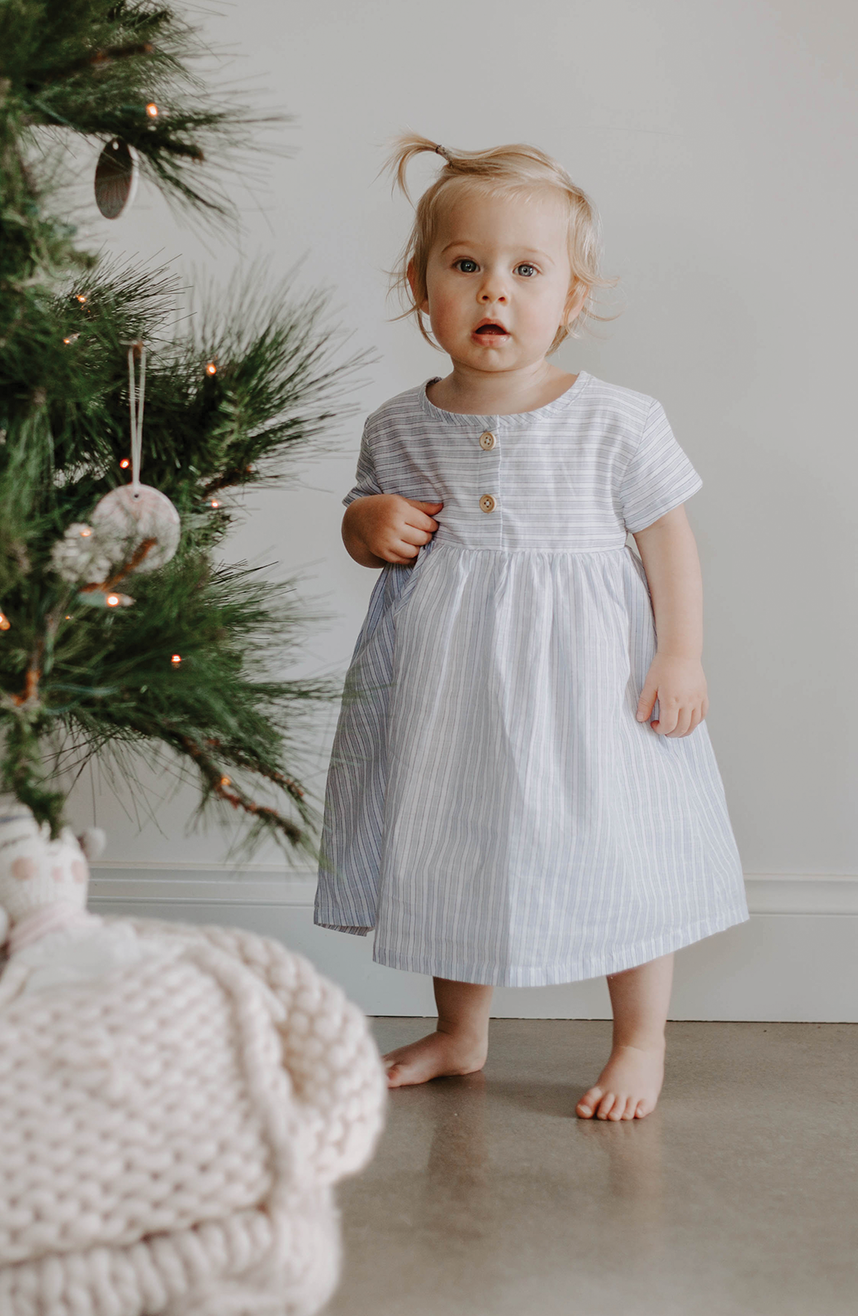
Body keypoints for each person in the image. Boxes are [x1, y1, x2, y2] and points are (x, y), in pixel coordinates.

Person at [315, 137, 748, 1121]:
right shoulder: (398, 423)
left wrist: (678, 653)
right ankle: (461, 1030)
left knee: (622, 846)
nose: (492, 293)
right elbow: (362, 519)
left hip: (591, 691)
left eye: (524, 270)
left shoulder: (614, 421)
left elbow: (667, 543)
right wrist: (364, 525)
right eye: (464, 266)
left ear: (572, 297)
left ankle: (638, 1039)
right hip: (449, 690)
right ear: (420, 288)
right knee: (451, 841)